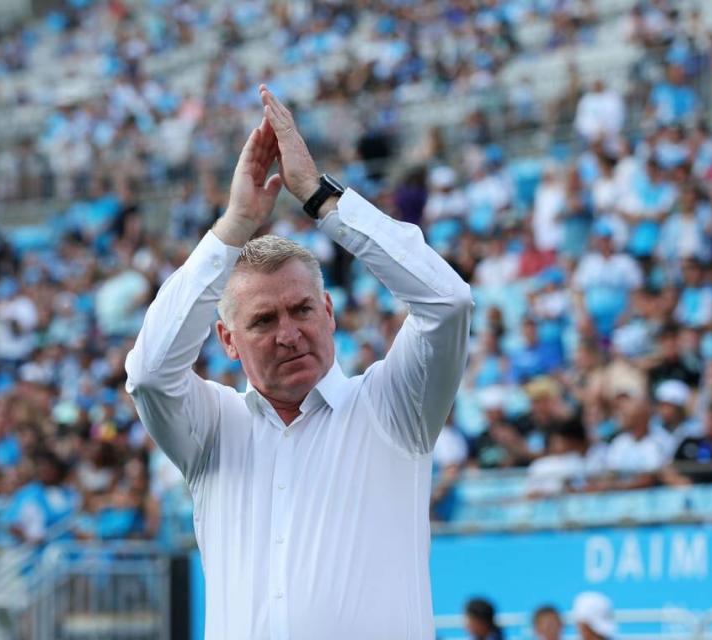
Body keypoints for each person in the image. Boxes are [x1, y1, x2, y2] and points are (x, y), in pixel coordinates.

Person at [125, 86, 472, 638]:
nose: (289, 334)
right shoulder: (213, 428)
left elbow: (448, 304)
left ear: (329, 311)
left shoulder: (392, 407)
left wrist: (320, 197)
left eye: (302, 309)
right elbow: (147, 374)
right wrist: (234, 225)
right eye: (263, 321)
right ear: (228, 340)